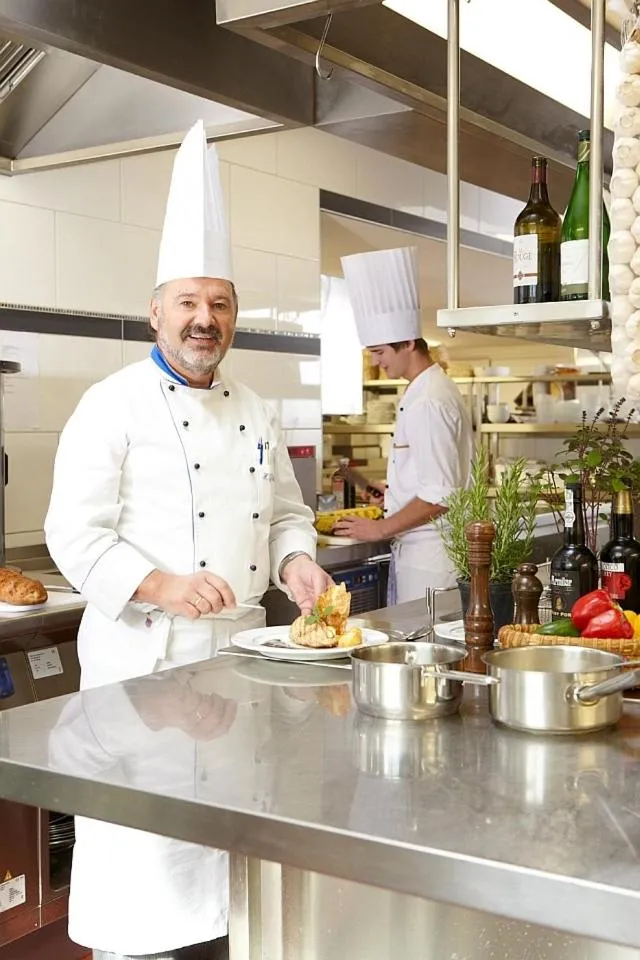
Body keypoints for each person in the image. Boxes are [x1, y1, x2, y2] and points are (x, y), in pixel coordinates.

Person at [44, 120, 331, 960]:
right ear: (156, 311)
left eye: (220, 303)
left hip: (239, 672)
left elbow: (283, 510)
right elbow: (73, 532)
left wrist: (297, 559)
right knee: (145, 885)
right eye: (189, 304)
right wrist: (161, 585)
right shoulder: (111, 404)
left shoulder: (253, 406)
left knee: (230, 891)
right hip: (144, 680)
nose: (205, 320)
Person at [334, 247, 474, 604]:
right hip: (422, 555)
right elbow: (433, 478)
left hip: (432, 560)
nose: (377, 363)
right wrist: (394, 491)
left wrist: (379, 528)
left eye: (380, 352)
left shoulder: (429, 400)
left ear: (409, 342)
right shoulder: (426, 388)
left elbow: (441, 494)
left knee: (426, 653)